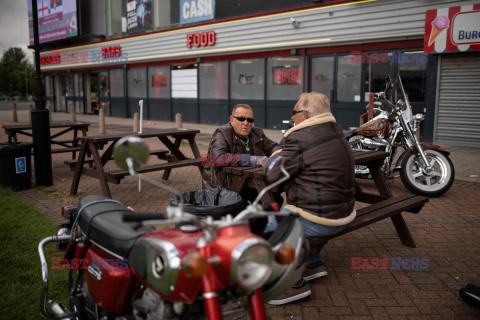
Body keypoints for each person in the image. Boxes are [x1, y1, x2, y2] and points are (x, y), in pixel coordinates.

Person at [265, 92, 356, 305]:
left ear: (305, 115)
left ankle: (291, 285)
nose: (292, 118)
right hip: (344, 213)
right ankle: (313, 263)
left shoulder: (299, 138)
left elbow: (272, 176)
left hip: (320, 219)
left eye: (294, 113)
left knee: (264, 224)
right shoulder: (336, 131)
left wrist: (276, 154)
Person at [202, 104, 280, 190]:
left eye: (249, 120)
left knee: (275, 195)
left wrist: (276, 156)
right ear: (232, 120)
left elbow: (274, 146)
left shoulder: (257, 133)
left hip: (250, 181)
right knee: (268, 197)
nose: (246, 123)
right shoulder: (222, 133)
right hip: (224, 187)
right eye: (241, 119)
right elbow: (218, 158)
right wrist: (251, 159)